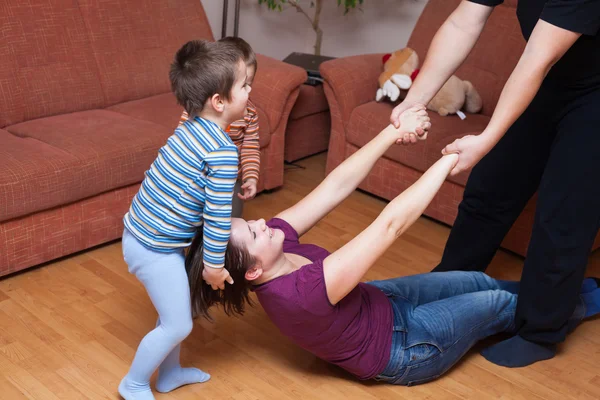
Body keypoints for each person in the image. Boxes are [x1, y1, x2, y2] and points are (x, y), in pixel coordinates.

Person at [184, 105, 600, 386]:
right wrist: (450, 162)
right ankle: (583, 302)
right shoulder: (299, 294)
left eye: (249, 220)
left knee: (475, 278)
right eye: (253, 232)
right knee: (495, 303)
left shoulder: (272, 243)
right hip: (404, 349)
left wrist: (392, 132)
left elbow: (335, 187)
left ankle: (565, 294)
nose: (261, 222)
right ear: (253, 271)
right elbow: (390, 226)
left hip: (381, 304)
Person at [389, 0, 600, 368]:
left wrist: (486, 139)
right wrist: (414, 101)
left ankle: (540, 331)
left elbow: (538, 57)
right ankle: (446, 286)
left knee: (564, 213)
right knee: (489, 189)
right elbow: (463, 22)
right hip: (553, 77)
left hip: (594, 92)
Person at [119, 39, 252, 399]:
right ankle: (132, 383)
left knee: (176, 314)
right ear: (219, 101)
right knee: (177, 324)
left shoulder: (191, 127)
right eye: (244, 85)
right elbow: (217, 216)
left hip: (144, 235)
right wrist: (212, 266)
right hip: (154, 248)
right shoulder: (222, 152)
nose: (250, 90)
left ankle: (169, 373)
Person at [180, 36, 261, 218]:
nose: (249, 91)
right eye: (242, 85)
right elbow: (184, 143)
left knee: (229, 223)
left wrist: (250, 177)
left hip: (231, 181)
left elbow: (250, 149)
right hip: (199, 180)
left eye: (250, 84)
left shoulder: (250, 114)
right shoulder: (195, 110)